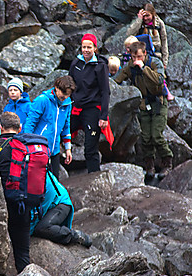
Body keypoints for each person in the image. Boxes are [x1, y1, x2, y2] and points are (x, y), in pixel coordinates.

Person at [0, 111, 48, 274]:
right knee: (22, 253)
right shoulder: (28, 147)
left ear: (1, 128)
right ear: (19, 128)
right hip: (22, 201)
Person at [113, 40, 173, 179]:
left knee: (156, 135)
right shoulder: (130, 66)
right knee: (145, 137)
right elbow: (118, 79)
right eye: (133, 57)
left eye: (139, 57)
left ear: (144, 53)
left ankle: (167, 163)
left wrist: (143, 68)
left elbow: (159, 80)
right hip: (144, 104)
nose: (136, 60)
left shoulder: (154, 63)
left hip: (159, 102)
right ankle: (149, 166)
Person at [68, 33, 110, 173]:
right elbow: (69, 84)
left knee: (90, 147)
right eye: (83, 47)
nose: (86, 50)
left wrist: (103, 116)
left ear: (95, 48)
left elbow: (105, 91)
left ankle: (95, 178)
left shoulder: (100, 66)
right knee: (62, 132)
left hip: (92, 108)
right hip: (76, 107)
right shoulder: (76, 63)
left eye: (89, 47)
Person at [23, 75, 75, 175]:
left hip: (54, 150)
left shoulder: (67, 104)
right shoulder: (42, 100)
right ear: (56, 88)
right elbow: (30, 123)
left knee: (54, 181)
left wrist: (68, 149)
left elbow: (66, 127)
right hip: (38, 149)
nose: (65, 97)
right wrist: (28, 146)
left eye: (68, 94)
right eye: (63, 93)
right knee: (38, 182)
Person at [30, 171, 91, 247]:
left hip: (60, 202)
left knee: (42, 228)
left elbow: (40, 205)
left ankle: (76, 236)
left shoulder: (39, 177)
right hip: (49, 204)